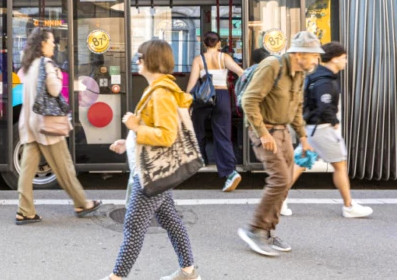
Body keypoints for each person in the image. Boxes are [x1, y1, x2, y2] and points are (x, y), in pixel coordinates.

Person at [102, 40, 200, 280]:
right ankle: (188, 272)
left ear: (151, 61)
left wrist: (135, 126)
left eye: (140, 57)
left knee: (134, 227)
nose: (137, 61)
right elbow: (154, 129)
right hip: (154, 168)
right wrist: (129, 142)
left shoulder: (161, 94)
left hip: (151, 171)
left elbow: (166, 135)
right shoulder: (159, 89)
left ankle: (117, 278)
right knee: (170, 220)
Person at [238, 31, 323, 257]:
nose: (316, 60)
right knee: (280, 179)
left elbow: (296, 108)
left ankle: (266, 232)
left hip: (283, 131)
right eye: (313, 55)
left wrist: (303, 139)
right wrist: (263, 133)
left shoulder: (300, 73)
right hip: (264, 130)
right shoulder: (272, 66)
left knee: (285, 183)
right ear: (298, 53)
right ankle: (254, 229)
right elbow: (249, 100)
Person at [16, 28, 101, 225]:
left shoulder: (28, 65)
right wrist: (58, 75)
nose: (54, 44)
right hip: (46, 124)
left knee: (27, 172)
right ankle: (81, 203)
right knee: (64, 167)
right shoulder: (46, 63)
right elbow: (54, 91)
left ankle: (24, 210)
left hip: (30, 123)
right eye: (51, 41)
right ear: (42, 44)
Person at [282, 42, 373, 218]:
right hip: (323, 129)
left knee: (299, 164)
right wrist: (334, 121)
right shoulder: (325, 81)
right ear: (335, 58)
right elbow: (324, 105)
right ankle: (349, 206)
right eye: (344, 58)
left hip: (312, 128)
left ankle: (278, 200)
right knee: (340, 166)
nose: (346, 62)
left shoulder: (315, 76)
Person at [186, 32, 244, 192]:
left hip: (203, 97)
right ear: (218, 43)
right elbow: (241, 73)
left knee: (198, 129)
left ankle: (201, 159)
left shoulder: (199, 60)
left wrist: (187, 104)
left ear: (204, 44)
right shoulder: (224, 57)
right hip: (222, 96)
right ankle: (230, 172)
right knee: (223, 135)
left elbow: (191, 84)